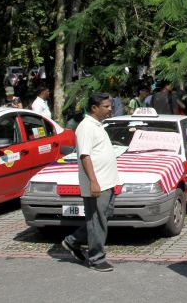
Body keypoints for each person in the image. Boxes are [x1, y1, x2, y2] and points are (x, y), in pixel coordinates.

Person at [61, 93, 118, 272]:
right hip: (97, 184)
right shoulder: (86, 127)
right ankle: (96, 258)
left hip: (107, 183)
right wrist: (93, 182)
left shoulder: (98, 125)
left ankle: (73, 241)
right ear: (94, 108)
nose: (110, 109)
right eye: (106, 106)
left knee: (100, 219)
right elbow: (85, 156)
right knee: (97, 221)